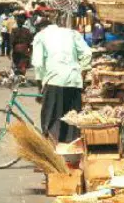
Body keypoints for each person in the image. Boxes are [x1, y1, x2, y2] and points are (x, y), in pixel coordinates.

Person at [32, 12, 92, 143]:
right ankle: (72, 155)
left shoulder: (40, 36)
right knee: (73, 122)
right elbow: (87, 54)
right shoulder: (72, 34)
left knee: (52, 122)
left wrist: (39, 89)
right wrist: (80, 71)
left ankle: (54, 154)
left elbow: (38, 64)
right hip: (74, 81)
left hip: (53, 80)